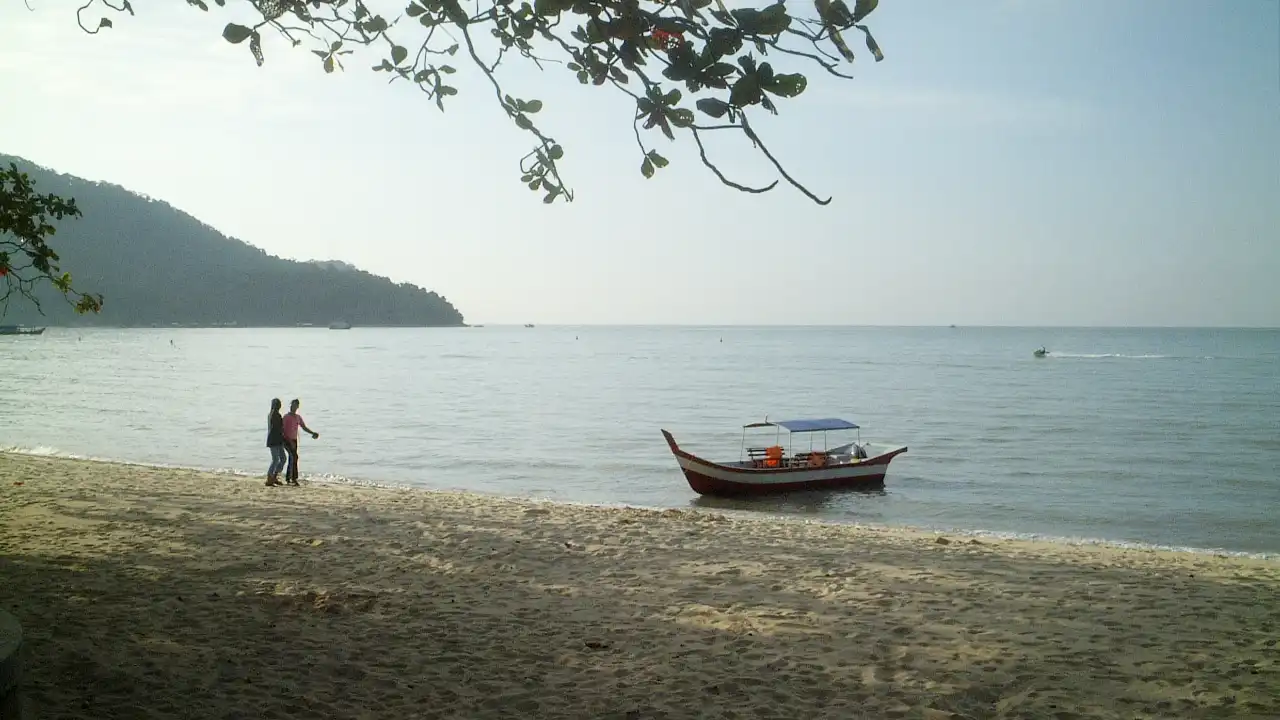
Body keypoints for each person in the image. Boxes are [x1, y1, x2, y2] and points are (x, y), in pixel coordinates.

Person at [282, 398, 319, 486]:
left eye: (295, 405)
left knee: (294, 458)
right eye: (292, 405)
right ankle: (292, 478)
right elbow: (282, 430)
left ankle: (290, 478)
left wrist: (312, 433)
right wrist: (289, 440)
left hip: (294, 440)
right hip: (287, 439)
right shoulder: (286, 417)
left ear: (297, 406)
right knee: (294, 456)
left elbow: (304, 427)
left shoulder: (298, 417)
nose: (293, 407)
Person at [265, 398, 286, 487]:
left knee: (282, 458)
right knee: (276, 459)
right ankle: (270, 477)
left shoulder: (274, 414)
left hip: (278, 440)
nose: (278, 406)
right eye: (277, 404)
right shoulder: (273, 415)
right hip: (274, 440)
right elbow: (277, 428)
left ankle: (274, 476)